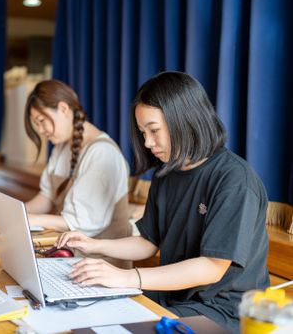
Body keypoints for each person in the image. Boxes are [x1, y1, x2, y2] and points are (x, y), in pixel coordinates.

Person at [55, 71, 269, 333]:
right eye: (143, 133)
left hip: (220, 311)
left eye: (153, 131)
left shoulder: (234, 180)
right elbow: (149, 242)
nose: (147, 143)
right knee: (85, 314)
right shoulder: (166, 172)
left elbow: (212, 268)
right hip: (174, 297)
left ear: (185, 119)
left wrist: (127, 277)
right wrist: (94, 244)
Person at [24, 79, 132, 240]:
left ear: (63, 108)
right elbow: (47, 197)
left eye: (41, 121)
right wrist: (17, 213)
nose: (40, 130)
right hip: (71, 252)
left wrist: (31, 220)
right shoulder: (62, 147)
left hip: (101, 260)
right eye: (36, 123)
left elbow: (82, 223)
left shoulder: (102, 152)